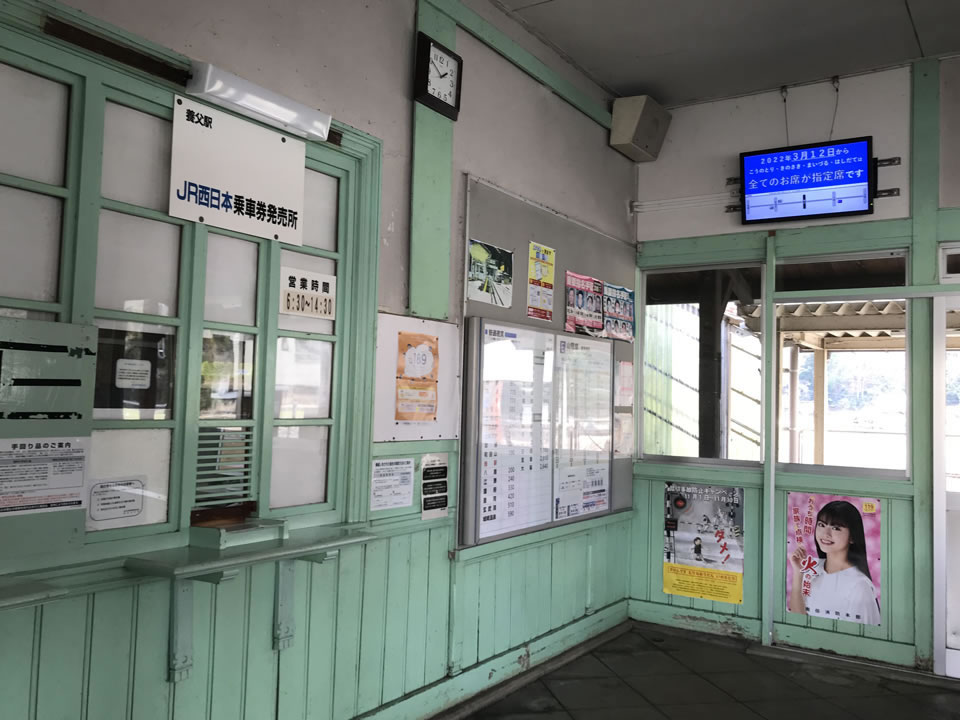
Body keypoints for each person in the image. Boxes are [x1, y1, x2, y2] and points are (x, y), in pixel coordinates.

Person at [788, 500, 880, 625]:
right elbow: (797, 621)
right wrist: (798, 573)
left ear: (852, 537)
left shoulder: (859, 586)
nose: (825, 534)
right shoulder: (811, 568)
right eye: (821, 525)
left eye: (836, 528)